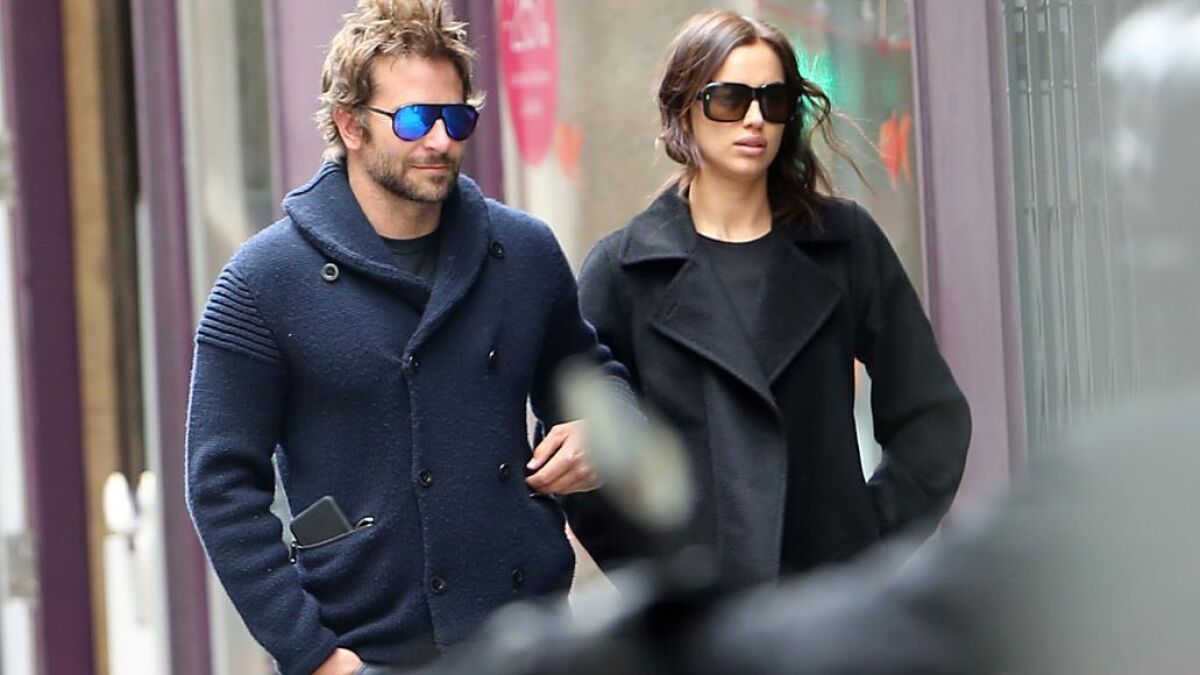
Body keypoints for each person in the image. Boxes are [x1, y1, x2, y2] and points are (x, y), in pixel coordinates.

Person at [184, 2, 631, 673]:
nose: (441, 140)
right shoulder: (261, 282)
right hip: (372, 651)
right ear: (350, 124)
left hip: (530, 636)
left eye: (458, 118)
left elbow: (591, 377)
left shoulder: (525, 251)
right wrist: (315, 655)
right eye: (416, 119)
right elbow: (219, 486)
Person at [566, 9, 970, 583]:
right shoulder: (623, 270)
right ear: (684, 108)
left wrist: (868, 543)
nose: (754, 119)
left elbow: (932, 416)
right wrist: (665, 589)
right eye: (730, 100)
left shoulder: (845, 244)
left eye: (773, 101)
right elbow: (579, 452)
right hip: (706, 614)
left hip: (826, 602)